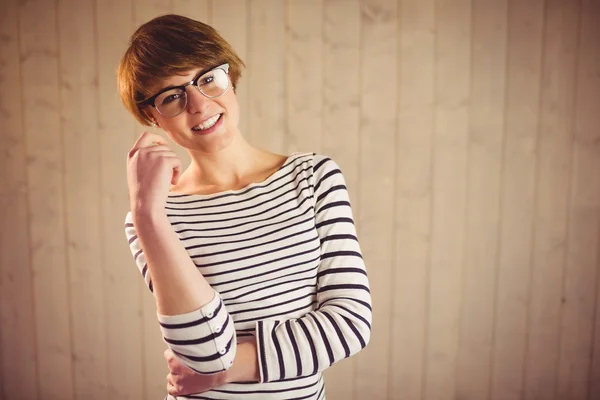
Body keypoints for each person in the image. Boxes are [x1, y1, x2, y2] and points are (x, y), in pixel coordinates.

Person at [118, 14, 372, 399]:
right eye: (172, 95)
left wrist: (229, 370)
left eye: (208, 79)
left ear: (230, 77)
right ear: (152, 115)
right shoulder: (152, 218)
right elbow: (204, 352)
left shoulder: (314, 178)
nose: (199, 105)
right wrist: (146, 213)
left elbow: (349, 324)